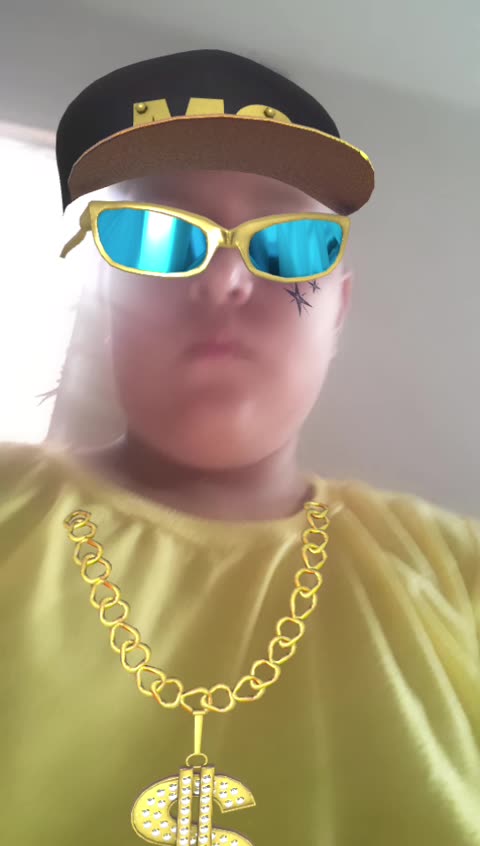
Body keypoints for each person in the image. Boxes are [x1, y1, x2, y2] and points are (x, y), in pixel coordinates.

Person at [0, 49, 479, 846]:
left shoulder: (455, 574)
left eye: (286, 244)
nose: (223, 280)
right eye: (159, 237)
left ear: (339, 311)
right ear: (105, 288)